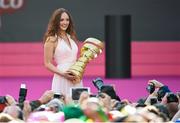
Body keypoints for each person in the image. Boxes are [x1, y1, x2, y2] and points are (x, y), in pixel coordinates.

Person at [43, 8, 83, 98]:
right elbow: (47, 63)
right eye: (61, 20)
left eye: (67, 20)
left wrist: (80, 67)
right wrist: (63, 74)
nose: (65, 22)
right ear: (56, 21)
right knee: (62, 104)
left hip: (75, 76)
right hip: (62, 77)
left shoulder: (70, 37)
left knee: (77, 104)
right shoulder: (51, 39)